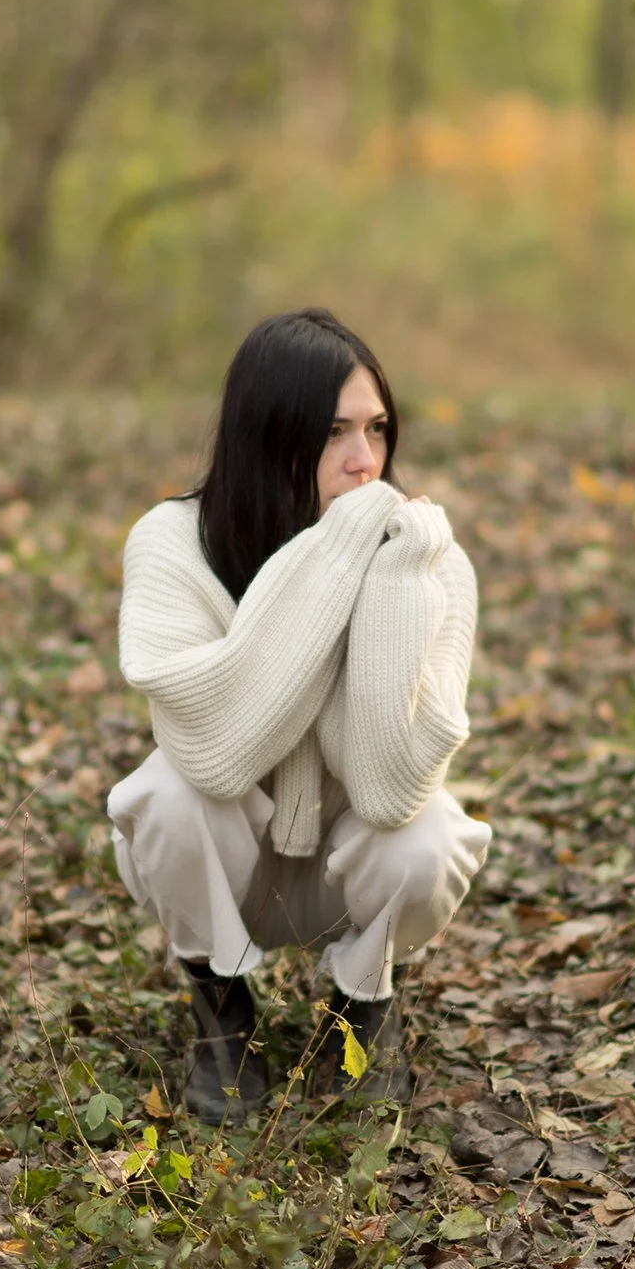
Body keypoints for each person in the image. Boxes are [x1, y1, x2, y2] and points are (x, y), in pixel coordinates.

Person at [107, 309, 491, 1122]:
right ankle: (220, 1005)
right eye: (332, 432)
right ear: (268, 435)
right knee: (168, 795)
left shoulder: (428, 563)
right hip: (229, 861)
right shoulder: (173, 543)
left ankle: (363, 1006)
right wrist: (333, 555)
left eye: (377, 429)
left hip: (345, 865)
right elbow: (216, 750)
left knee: (428, 835)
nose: (365, 461)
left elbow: (390, 790)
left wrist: (393, 581)